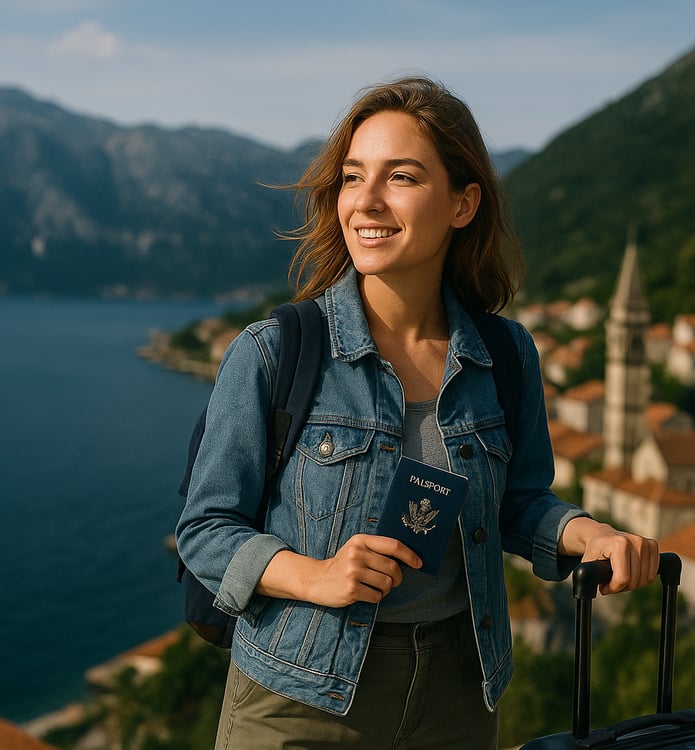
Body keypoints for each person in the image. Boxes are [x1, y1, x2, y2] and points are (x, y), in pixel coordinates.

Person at [176, 75, 659, 750]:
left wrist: (591, 533)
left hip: (459, 692)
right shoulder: (272, 351)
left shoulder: (506, 354)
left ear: (463, 204)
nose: (366, 201)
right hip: (300, 695)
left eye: (399, 176)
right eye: (352, 177)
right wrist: (316, 574)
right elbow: (204, 530)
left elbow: (517, 504)